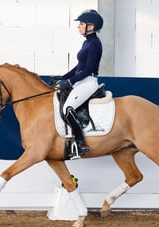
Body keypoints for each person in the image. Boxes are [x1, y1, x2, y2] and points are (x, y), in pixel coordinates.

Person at [59, 9, 104, 157]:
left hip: (89, 81)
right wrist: (63, 77)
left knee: (68, 107)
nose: (79, 26)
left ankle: (81, 143)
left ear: (91, 26)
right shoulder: (87, 43)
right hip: (82, 80)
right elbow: (79, 67)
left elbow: (89, 69)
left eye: (82, 24)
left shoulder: (95, 44)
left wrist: (70, 81)